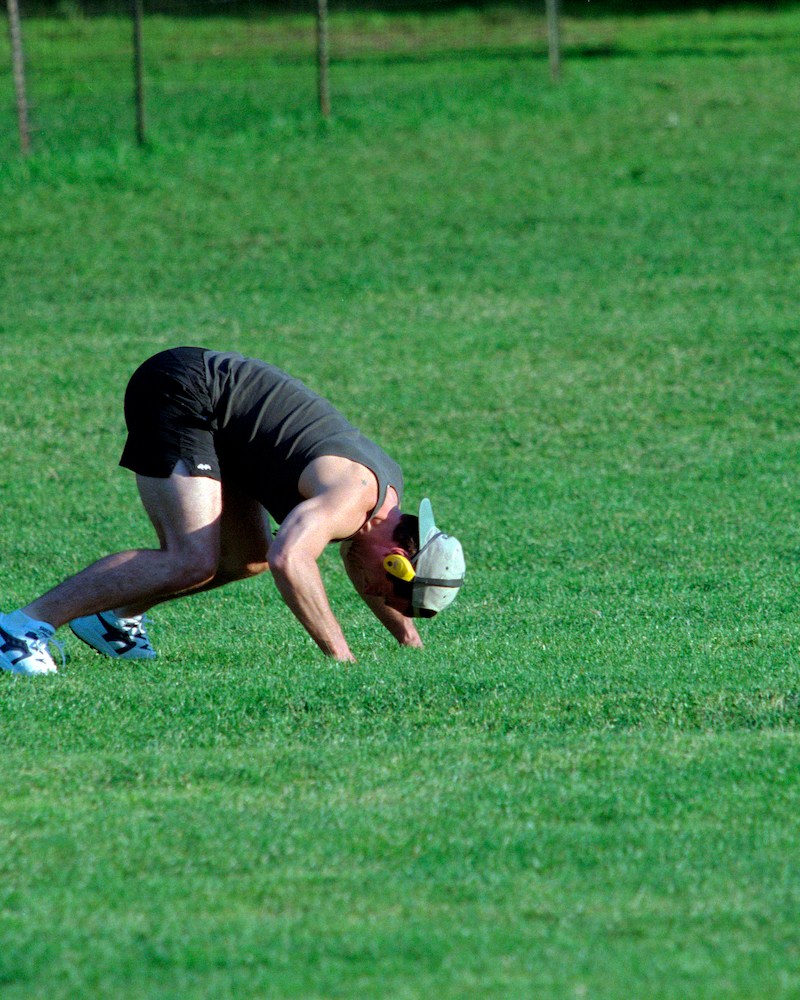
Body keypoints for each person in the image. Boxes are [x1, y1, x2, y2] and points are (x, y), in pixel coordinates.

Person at [0, 347, 465, 676]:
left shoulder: (380, 502)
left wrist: (408, 639)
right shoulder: (353, 495)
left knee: (246, 558)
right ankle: (20, 629)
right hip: (186, 391)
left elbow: (348, 559)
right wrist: (341, 658)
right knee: (190, 559)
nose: (372, 593)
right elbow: (291, 559)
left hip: (226, 430)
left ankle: (110, 617)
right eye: (385, 591)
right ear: (396, 561)